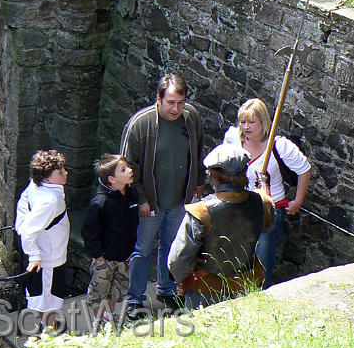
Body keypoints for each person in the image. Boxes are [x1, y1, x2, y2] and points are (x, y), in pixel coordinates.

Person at [119, 74, 205, 319]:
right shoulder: (141, 124)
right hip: (152, 203)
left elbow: (198, 152)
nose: (176, 108)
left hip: (180, 200)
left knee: (170, 247)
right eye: (170, 103)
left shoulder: (191, 118)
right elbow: (128, 166)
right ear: (158, 99)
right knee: (142, 250)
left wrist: (198, 184)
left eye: (180, 102)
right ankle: (135, 298)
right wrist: (141, 199)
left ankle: (166, 289)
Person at [168, 143, 274, 308]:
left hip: (208, 288)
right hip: (247, 284)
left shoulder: (201, 212)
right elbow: (268, 227)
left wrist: (180, 278)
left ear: (215, 177)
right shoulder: (263, 202)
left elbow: (178, 260)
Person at [224, 98, 311, 287]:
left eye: (252, 122)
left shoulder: (279, 146)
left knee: (261, 266)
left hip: (269, 212)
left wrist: (298, 201)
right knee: (236, 261)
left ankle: (258, 299)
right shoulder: (232, 139)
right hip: (239, 208)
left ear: (263, 122)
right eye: (243, 121)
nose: (246, 127)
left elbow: (304, 169)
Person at [81, 154, 139, 328]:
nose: (130, 170)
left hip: (124, 255)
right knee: (99, 292)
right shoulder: (100, 202)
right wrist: (98, 255)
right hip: (105, 258)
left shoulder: (130, 194)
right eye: (123, 169)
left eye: (128, 166)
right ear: (112, 179)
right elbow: (89, 231)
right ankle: (97, 322)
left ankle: (110, 317)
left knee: (115, 291)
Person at [15, 150, 70, 332]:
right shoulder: (49, 200)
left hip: (48, 253)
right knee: (49, 297)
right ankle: (50, 331)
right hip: (49, 257)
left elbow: (23, 205)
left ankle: (46, 326)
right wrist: (34, 255)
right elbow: (29, 230)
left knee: (45, 295)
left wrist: (20, 226)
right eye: (60, 172)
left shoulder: (36, 186)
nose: (65, 174)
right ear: (47, 178)